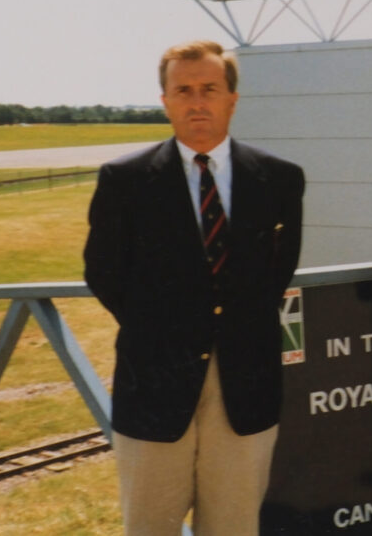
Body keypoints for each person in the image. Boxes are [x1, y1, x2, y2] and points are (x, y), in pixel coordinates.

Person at [84, 40, 304, 535]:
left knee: (233, 526)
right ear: (165, 101)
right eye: (183, 91)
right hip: (154, 383)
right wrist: (166, 330)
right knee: (150, 526)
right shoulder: (124, 180)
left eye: (210, 89)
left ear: (233, 99)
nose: (197, 102)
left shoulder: (280, 179)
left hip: (245, 386)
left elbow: (278, 271)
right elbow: (103, 273)